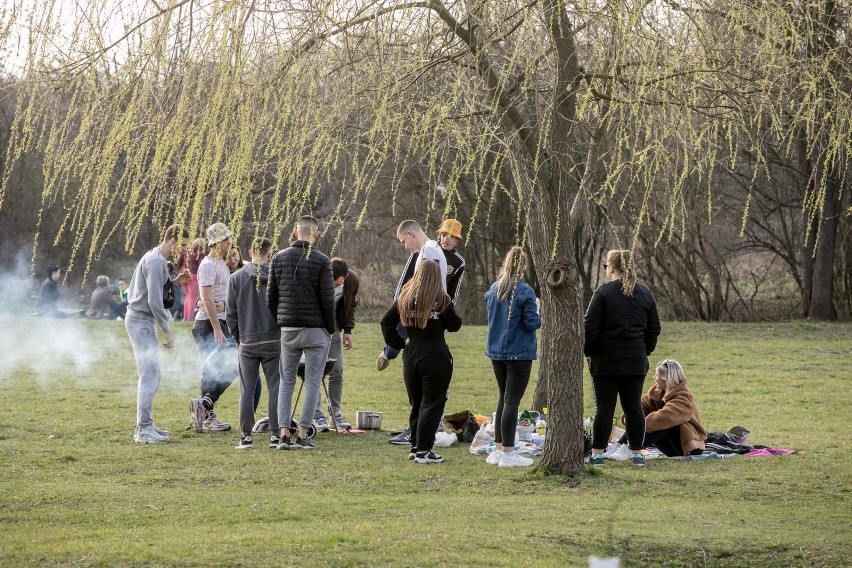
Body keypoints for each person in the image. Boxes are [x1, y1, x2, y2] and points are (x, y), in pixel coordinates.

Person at [584, 249, 661, 467]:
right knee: (633, 406)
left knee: (605, 407)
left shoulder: (603, 293)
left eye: (605, 265)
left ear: (612, 268)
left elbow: (590, 326)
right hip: (634, 360)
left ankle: (597, 453)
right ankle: (636, 453)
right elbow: (654, 328)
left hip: (605, 360)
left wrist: (588, 351)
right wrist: (643, 350)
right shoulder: (645, 293)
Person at [381, 260, 461, 464]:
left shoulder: (405, 297)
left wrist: (399, 344)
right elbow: (455, 325)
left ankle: (416, 445)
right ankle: (425, 450)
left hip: (412, 352)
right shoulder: (442, 299)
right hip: (436, 354)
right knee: (432, 403)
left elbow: (386, 322)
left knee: (416, 402)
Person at [267, 215, 336, 450]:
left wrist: (281, 321)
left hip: (288, 329)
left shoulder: (278, 258)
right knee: (313, 381)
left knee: (286, 381)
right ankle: (303, 433)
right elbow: (328, 300)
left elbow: (271, 297)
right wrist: (330, 328)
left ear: (295, 232)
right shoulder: (322, 260)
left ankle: (284, 433)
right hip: (316, 330)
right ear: (315, 234)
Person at [379, 220, 448, 446]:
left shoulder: (428, 251)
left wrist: (397, 343)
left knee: (424, 396)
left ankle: (421, 442)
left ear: (411, 234)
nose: (405, 247)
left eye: (403, 242)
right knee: (423, 395)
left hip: (424, 328)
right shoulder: (432, 249)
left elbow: (428, 287)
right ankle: (419, 441)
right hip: (429, 329)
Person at [125, 224, 190, 443]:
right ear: (171, 241)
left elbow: (153, 289)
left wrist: (175, 282)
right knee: (149, 375)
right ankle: (143, 429)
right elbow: (153, 300)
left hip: (143, 320)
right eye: (181, 246)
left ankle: (147, 424)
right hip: (141, 320)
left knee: (153, 374)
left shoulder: (158, 259)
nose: (183, 251)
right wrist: (167, 329)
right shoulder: (155, 262)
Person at [484, 246, 541, 468]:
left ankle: (498, 448)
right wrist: (539, 311)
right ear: (523, 267)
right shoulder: (525, 291)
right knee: (511, 400)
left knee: (503, 398)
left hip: (497, 350)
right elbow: (530, 323)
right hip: (519, 352)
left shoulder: (494, 289)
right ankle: (508, 451)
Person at [226, 236, 281, 450]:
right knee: (275, 388)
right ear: (270, 254)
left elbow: (231, 314)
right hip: (274, 340)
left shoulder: (237, 279)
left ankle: (246, 436)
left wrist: (238, 337)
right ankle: (276, 434)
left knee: (247, 390)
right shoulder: (277, 278)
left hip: (247, 342)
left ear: (249, 252)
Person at [188, 222, 235, 433]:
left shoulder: (222, 265)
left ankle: (204, 408)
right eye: (226, 239)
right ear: (217, 242)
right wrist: (217, 329)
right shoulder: (207, 265)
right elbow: (206, 300)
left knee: (227, 368)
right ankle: (207, 416)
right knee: (213, 371)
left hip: (219, 321)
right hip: (208, 324)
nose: (229, 243)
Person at [613, 359, 706, 457]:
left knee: (662, 421)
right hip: (670, 443)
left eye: (657, 375)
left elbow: (664, 418)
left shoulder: (684, 398)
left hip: (688, 447)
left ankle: (632, 448)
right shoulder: (657, 393)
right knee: (640, 414)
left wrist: (639, 425)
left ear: (665, 379)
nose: (654, 378)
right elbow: (638, 407)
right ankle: (620, 445)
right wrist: (631, 417)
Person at [313, 257, 359, 431]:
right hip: (315, 330)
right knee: (315, 371)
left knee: (337, 371)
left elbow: (351, 304)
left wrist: (348, 330)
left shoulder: (352, 280)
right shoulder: (319, 276)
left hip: (335, 330)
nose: (332, 285)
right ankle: (316, 415)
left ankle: (335, 415)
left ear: (345, 276)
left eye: (336, 283)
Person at [437, 218, 465, 305]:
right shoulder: (429, 251)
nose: (446, 239)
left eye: (451, 236)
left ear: (457, 239)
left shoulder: (458, 261)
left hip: (439, 306)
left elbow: (453, 291)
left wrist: (448, 310)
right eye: (444, 235)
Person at [178, 237, 206, 322]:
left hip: (183, 275)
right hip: (193, 275)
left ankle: (185, 318)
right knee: (193, 298)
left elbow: (180, 262)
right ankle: (189, 319)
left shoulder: (187, 252)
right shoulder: (200, 254)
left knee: (188, 296)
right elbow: (202, 266)